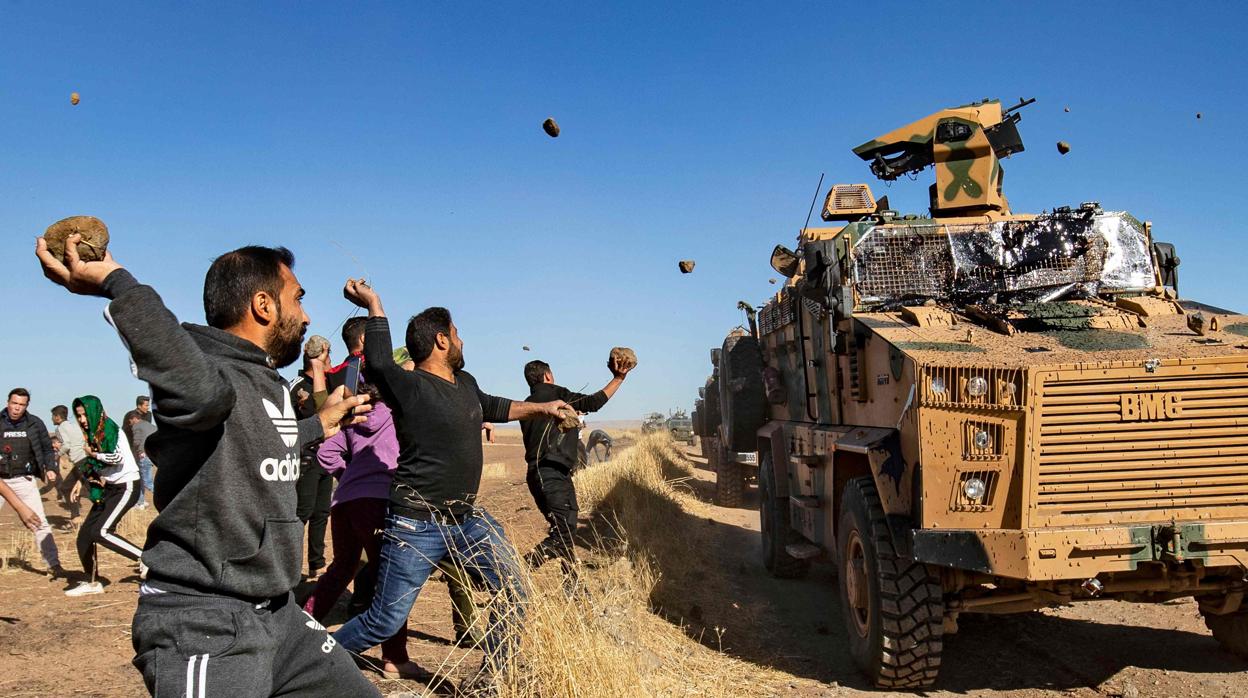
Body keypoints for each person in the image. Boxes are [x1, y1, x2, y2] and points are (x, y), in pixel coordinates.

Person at [36, 234, 380, 697]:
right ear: (263, 305)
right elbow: (203, 394)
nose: (306, 315)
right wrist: (117, 284)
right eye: (297, 299)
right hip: (205, 621)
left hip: (277, 616)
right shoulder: (205, 371)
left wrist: (322, 422)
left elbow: (262, 443)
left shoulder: (264, 379)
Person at [331, 279, 569, 685]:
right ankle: (311, 659)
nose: (461, 340)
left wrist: (543, 407)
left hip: (465, 520)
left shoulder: (467, 384)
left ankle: (489, 682)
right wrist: (374, 305)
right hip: (415, 524)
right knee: (383, 620)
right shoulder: (408, 387)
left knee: (515, 589)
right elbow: (380, 362)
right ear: (442, 340)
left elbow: (496, 406)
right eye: (456, 333)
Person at [520, 358, 632, 567]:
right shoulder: (555, 394)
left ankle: (574, 586)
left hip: (541, 476)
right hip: (552, 474)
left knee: (566, 529)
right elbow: (593, 402)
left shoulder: (525, 406)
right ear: (547, 376)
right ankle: (516, 573)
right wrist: (619, 378)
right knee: (562, 534)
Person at [65, 395, 144, 596]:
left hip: (126, 486)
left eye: (84, 415)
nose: (82, 420)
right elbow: (95, 464)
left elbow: (116, 458)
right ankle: (93, 582)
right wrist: (81, 481)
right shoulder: (93, 432)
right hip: (110, 488)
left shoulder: (110, 428)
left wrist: (95, 455)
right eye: (78, 416)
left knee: (102, 531)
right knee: (84, 537)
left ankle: (145, 559)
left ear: (94, 411)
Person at [0, 388, 64, 577]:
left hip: (24, 479)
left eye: (21, 405)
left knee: (39, 522)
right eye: (14, 403)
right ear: (7, 402)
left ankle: (53, 565)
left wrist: (50, 468)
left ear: (26, 406)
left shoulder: (35, 424)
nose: (16, 408)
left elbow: (46, 449)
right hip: (1, 478)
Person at [53, 403, 89, 521]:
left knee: (71, 488)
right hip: (84, 459)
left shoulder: (60, 428)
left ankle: (103, 510)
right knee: (67, 487)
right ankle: (75, 515)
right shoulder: (75, 426)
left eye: (53, 416)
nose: (52, 419)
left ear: (58, 416)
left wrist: (57, 455)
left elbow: (67, 444)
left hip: (80, 461)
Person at [128, 413, 157, 509]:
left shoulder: (137, 426)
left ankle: (168, 499)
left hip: (143, 456)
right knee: (141, 480)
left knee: (147, 481)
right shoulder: (151, 426)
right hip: (152, 455)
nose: (130, 423)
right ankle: (140, 502)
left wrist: (136, 450)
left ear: (135, 418)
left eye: (130, 421)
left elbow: (136, 441)